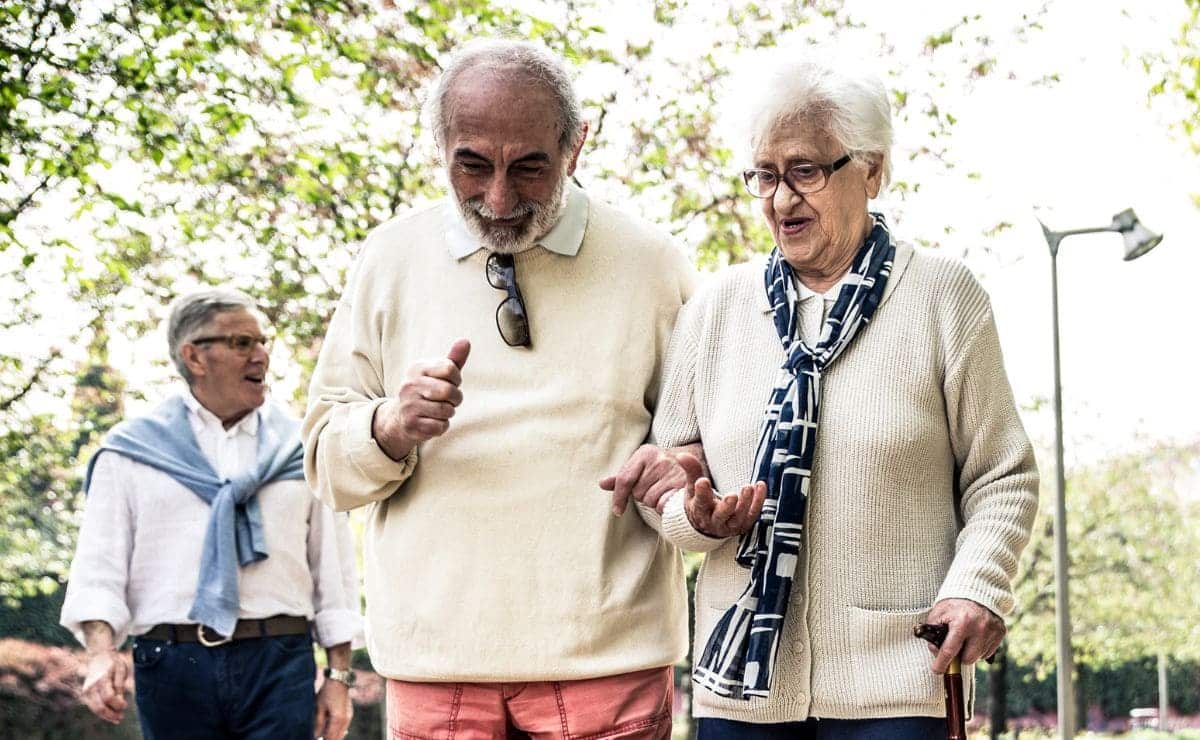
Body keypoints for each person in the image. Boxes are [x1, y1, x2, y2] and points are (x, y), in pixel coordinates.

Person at [607, 51, 1039, 739]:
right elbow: (673, 477)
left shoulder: (942, 298)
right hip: (741, 688)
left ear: (871, 169)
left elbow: (1002, 477)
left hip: (900, 682)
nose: (781, 199)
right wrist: (696, 517)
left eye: (805, 171)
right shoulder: (715, 310)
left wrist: (976, 586)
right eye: (765, 176)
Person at [302, 39, 696, 740]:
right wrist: (389, 426)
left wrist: (684, 473)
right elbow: (327, 469)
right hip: (435, 665)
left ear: (576, 145)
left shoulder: (656, 265)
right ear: (440, 148)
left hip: (609, 662)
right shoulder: (389, 258)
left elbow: (700, 454)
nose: (499, 197)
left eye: (530, 167)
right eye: (473, 165)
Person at [61, 289, 362, 740]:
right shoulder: (131, 453)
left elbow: (334, 574)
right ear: (194, 357)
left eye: (263, 342)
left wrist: (338, 678)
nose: (261, 356)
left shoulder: (302, 449)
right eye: (242, 343)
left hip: (280, 661)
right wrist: (101, 654)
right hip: (171, 663)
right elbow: (99, 568)